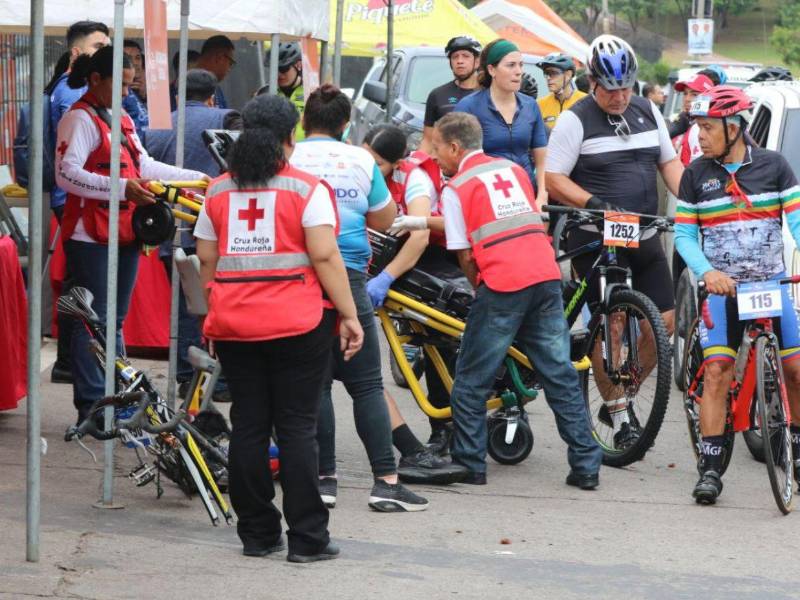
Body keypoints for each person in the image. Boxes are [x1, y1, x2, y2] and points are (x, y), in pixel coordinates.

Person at [194, 92, 362, 562]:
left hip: (234, 325)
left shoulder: (219, 190)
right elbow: (326, 256)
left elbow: (207, 259)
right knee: (296, 429)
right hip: (298, 325)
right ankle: (307, 539)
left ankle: (258, 535)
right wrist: (348, 315)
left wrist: (219, 303)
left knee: (248, 425)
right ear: (293, 136)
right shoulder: (306, 190)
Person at [431, 111, 602, 487]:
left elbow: (464, 254)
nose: (435, 156)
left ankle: (471, 463)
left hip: (504, 283)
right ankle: (587, 466)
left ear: (456, 147)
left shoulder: (456, 187)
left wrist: (483, 291)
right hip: (544, 275)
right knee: (559, 373)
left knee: (471, 380)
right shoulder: (511, 169)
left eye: (438, 148)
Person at [289, 84, 429, 512]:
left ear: (303, 120)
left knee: (315, 383)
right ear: (347, 124)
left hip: (299, 280)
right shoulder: (360, 161)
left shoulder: (288, 158)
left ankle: (325, 480)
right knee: (366, 383)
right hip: (349, 274)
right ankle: (386, 482)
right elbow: (387, 220)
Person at [54, 46, 208, 424]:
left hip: (122, 230)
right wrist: (123, 187)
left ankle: (114, 399)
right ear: (95, 80)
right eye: (120, 84)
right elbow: (66, 174)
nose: (127, 92)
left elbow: (143, 163)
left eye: (129, 84)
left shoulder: (118, 115)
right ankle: (94, 405)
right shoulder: (79, 120)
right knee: (95, 319)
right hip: (89, 235)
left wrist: (195, 179)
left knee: (114, 319)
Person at [545, 35, 683, 450]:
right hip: (597, 236)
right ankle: (621, 415)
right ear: (592, 81)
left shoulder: (647, 109)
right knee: (612, 324)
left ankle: (622, 388)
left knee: (666, 322)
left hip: (642, 232)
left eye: (626, 88)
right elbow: (553, 179)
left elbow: (669, 161)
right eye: (611, 89)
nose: (620, 97)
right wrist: (593, 203)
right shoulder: (576, 119)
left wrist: (691, 203)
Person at [673, 85, 800, 504]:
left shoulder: (775, 166)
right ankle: (710, 468)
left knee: (797, 370)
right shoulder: (695, 175)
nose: (700, 137)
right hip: (724, 291)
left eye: (708, 128)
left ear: (734, 128)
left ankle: (796, 451)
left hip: (771, 285)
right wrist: (707, 272)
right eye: (698, 128)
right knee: (717, 373)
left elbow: (797, 223)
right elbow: (685, 235)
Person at [362, 123, 468, 481]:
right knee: (428, 345)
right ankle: (444, 427)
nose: (370, 168)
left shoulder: (415, 179)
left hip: (434, 258)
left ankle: (447, 430)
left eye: (377, 163)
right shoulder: (370, 174)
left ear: (396, 162)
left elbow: (420, 236)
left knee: (440, 343)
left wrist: (386, 277)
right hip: (394, 255)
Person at [144, 68, 240, 391]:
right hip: (214, 230)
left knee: (185, 308)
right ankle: (223, 378)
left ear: (177, 95)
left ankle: (188, 378)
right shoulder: (228, 120)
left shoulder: (155, 127)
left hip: (171, 229)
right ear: (213, 95)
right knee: (219, 303)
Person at [49, 21, 111, 386]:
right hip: (80, 199)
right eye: (99, 44)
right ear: (77, 53)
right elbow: (74, 165)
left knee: (80, 287)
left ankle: (69, 362)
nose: (107, 50)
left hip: (85, 196)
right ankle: (72, 364)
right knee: (86, 292)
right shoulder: (76, 99)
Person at [454, 39, 548, 203]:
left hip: (526, 193)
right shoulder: (468, 106)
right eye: (511, 65)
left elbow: (541, 160)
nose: (519, 71)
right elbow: (456, 158)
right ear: (492, 70)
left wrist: (541, 195)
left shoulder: (530, 106)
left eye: (521, 64)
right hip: (485, 196)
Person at [419, 36, 482, 154]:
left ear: (477, 61)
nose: (460, 61)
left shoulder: (489, 93)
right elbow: (428, 140)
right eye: (455, 57)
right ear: (450, 63)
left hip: (480, 164)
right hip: (447, 166)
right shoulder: (437, 95)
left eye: (466, 56)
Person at [535, 52, 586, 131]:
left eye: (553, 73)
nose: (548, 78)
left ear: (568, 75)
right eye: (546, 73)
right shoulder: (539, 104)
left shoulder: (585, 101)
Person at [271, 41, 306, 142]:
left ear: (298, 65)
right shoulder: (266, 93)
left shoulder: (312, 94)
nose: (279, 74)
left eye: (283, 68)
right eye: (275, 69)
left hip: (306, 154)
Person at [194, 35, 236, 109]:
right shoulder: (184, 86)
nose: (229, 69)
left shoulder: (216, 88)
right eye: (230, 63)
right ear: (219, 57)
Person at [122, 40, 149, 138]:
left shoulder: (143, 89)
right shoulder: (118, 91)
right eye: (128, 58)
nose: (135, 63)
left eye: (138, 58)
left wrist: (145, 98)